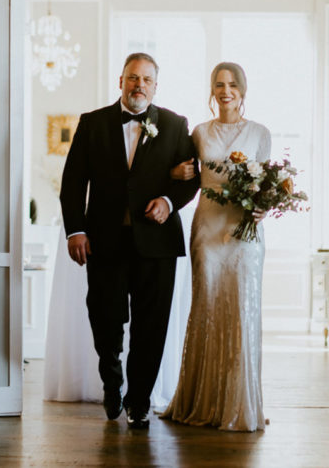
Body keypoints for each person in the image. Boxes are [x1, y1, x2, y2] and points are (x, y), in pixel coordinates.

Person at [59, 52, 200, 429]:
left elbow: (190, 178)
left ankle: (140, 401)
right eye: (133, 78)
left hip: (157, 245)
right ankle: (112, 379)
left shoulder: (174, 124)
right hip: (104, 241)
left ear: (156, 85)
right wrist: (75, 230)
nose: (139, 85)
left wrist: (169, 202)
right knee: (105, 318)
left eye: (147, 79)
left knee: (151, 326)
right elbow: (73, 182)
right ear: (121, 80)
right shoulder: (93, 123)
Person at [160, 61, 270, 432]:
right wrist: (174, 174)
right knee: (207, 304)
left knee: (241, 309)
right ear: (212, 90)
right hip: (208, 227)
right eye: (219, 84)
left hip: (243, 231)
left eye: (232, 84)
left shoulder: (259, 133)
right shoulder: (199, 132)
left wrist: (263, 207)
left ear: (243, 90)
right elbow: (183, 173)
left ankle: (239, 404)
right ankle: (202, 401)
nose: (226, 91)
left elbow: (267, 185)